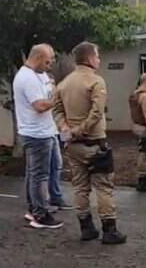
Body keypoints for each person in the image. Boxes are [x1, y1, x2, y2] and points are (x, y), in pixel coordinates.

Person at [53, 41, 126, 244]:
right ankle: (109, 230)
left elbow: (56, 110)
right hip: (94, 143)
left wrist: (65, 129)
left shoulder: (64, 83)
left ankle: (86, 228)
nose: (99, 59)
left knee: (80, 187)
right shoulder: (96, 82)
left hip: (73, 146)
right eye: (98, 56)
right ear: (89, 58)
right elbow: (96, 112)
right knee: (103, 187)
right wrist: (80, 130)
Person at [13, 44, 63, 229]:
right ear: (39, 58)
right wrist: (58, 98)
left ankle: (35, 207)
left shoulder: (39, 75)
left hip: (45, 130)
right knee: (40, 175)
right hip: (36, 133)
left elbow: (49, 89)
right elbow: (40, 105)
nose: (50, 65)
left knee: (43, 170)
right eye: (48, 61)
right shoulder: (27, 78)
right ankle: (40, 214)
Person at [40, 62, 74, 212]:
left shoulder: (53, 96)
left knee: (56, 164)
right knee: (43, 169)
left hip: (53, 130)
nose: (52, 85)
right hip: (43, 132)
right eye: (50, 83)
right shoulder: (45, 95)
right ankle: (42, 201)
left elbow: (58, 112)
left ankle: (55, 197)